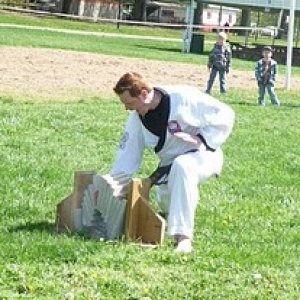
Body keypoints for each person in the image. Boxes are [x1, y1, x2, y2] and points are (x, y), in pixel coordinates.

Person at [111, 72, 235, 253]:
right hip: (167, 169)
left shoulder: (183, 98)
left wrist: (203, 139)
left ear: (144, 94)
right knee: (169, 203)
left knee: (183, 166)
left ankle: (183, 239)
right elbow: (127, 155)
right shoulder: (137, 119)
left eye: (129, 103)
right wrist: (112, 185)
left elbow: (225, 114)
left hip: (204, 155)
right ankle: (172, 213)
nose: (127, 109)